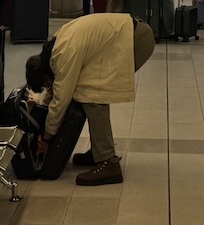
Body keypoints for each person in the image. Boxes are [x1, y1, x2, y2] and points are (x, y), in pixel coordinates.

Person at [26, 13, 156, 186]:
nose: (49, 89)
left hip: (135, 40)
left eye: (47, 85)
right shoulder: (53, 50)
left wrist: (48, 137)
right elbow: (58, 89)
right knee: (88, 90)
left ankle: (108, 162)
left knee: (93, 95)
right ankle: (99, 152)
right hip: (130, 33)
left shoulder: (63, 54)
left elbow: (61, 98)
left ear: (45, 74)